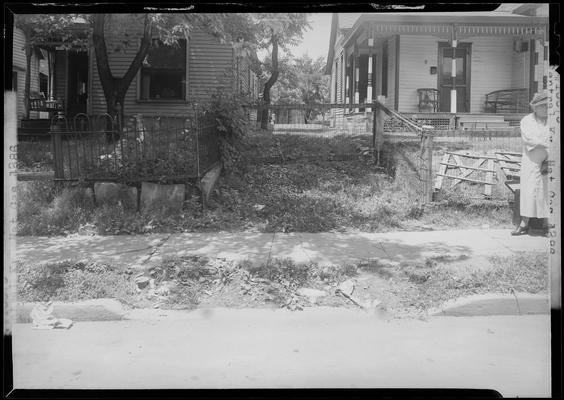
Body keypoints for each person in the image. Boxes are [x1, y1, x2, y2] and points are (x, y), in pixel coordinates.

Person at [512, 91, 549, 236]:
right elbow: (530, 140)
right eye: (542, 106)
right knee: (529, 190)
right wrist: (547, 144)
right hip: (531, 160)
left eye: (548, 106)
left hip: (548, 160)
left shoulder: (553, 121)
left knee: (547, 191)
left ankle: (547, 225)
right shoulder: (526, 121)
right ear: (535, 107)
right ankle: (524, 223)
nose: (546, 109)